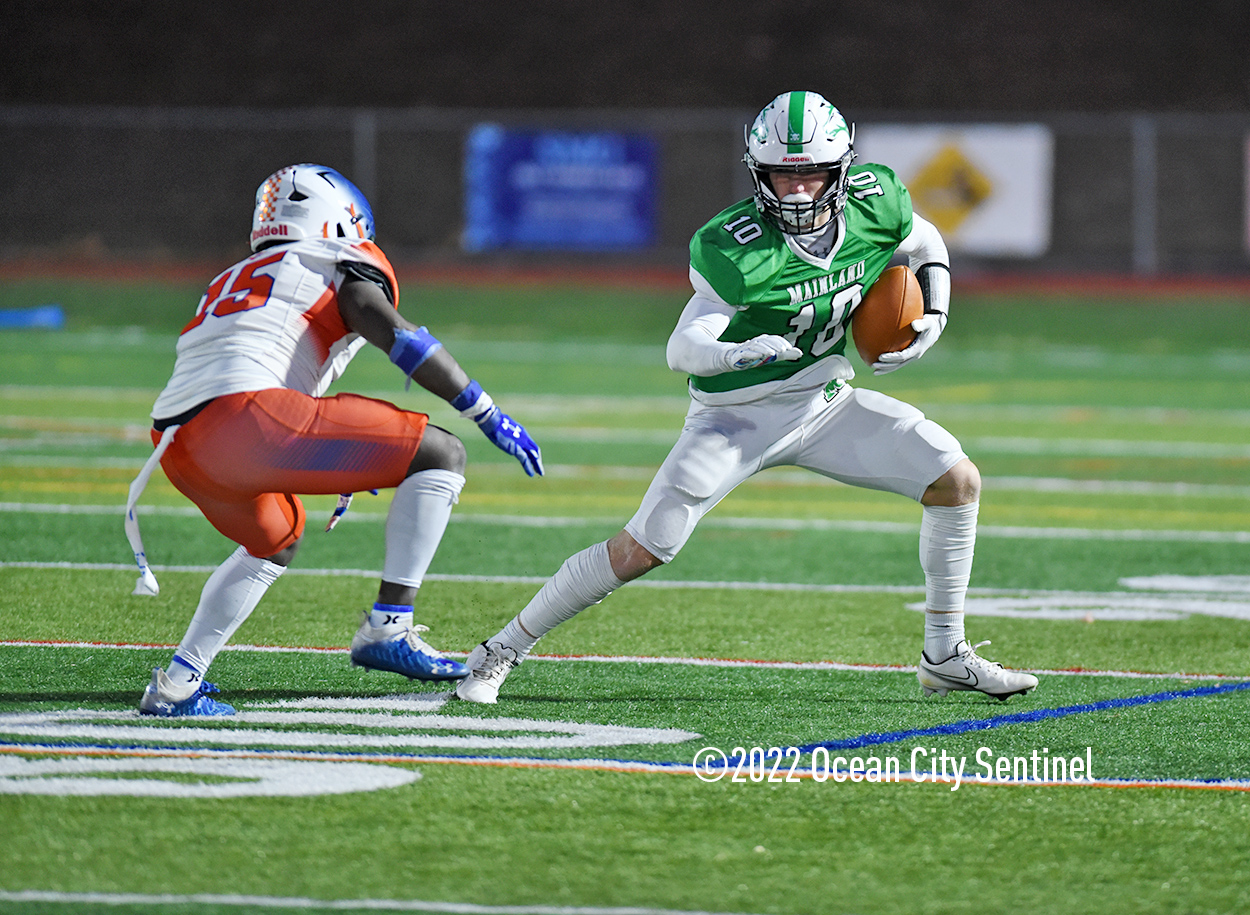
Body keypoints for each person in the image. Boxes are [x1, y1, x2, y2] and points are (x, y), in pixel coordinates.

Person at [456, 91, 1038, 705]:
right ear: (758, 174)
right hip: (733, 417)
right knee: (643, 548)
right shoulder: (735, 246)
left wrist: (936, 313)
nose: (796, 192)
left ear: (842, 168)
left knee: (956, 479)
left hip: (825, 402)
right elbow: (683, 346)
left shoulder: (876, 201)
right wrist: (733, 353)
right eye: (782, 176)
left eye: (811, 173)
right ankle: (499, 651)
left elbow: (925, 244)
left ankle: (945, 654)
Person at [125, 163, 543, 716]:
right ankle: (389, 629)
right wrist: (487, 412)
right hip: (251, 422)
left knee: (276, 540)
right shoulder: (330, 260)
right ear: (339, 219)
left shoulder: (237, 275)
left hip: (178, 445)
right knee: (442, 452)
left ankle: (176, 686)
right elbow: (398, 335)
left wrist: (330, 454)